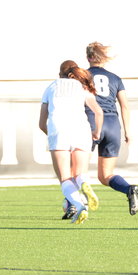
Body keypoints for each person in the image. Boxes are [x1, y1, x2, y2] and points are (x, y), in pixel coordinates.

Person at [39, 60, 104, 224]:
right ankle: (84, 183)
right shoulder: (81, 87)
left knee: (65, 177)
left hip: (59, 132)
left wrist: (51, 135)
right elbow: (98, 112)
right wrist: (96, 132)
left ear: (60, 74)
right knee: (79, 173)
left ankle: (79, 206)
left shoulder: (51, 87)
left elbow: (41, 123)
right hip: (82, 131)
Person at [82, 42, 138, 215]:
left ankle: (74, 204)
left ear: (88, 57)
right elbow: (125, 106)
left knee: (76, 171)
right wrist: (127, 131)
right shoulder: (115, 78)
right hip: (113, 125)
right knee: (105, 175)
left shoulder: (81, 76)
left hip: (91, 122)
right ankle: (129, 189)